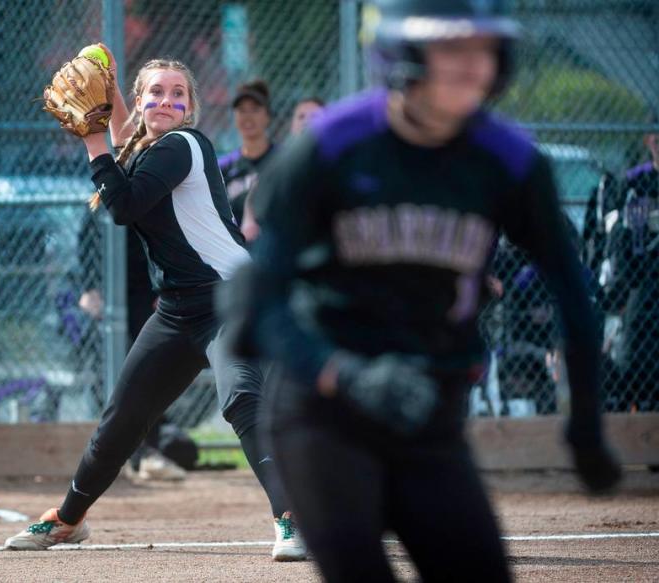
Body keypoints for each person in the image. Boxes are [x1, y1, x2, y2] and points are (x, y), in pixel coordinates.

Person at [221, 1, 622, 580]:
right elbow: (253, 303)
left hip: (427, 414)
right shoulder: (332, 146)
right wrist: (343, 374)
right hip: (322, 410)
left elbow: (574, 296)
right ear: (401, 53)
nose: (473, 66)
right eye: (451, 49)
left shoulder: (509, 160)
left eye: (485, 49)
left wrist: (585, 427)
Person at [4, 50, 305, 561]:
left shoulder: (184, 145)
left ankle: (292, 518)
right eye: (155, 93)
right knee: (122, 419)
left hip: (232, 298)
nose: (166, 100)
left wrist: (91, 134)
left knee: (240, 397)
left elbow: (122, 205)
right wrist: (112, 94)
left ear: (189, 110)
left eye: (177, 94)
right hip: (176, 311)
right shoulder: (143, 149)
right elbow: (125, 147)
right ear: (141, 102)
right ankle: (68, 519)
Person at [73, 211, 185, 481]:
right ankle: (112, 455)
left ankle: (148, 453)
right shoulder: (102, 199)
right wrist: (88, 288)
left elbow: (165, 241)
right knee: (110, 371)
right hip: (107, 290)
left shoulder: (151, 187)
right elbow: (86, 245)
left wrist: (164, 289)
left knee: (151, 370)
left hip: (143, 292)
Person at [600, 121, 659, 412]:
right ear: (651, 142)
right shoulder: (636, 182)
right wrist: (624, 283)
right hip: (643, 280)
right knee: (636, 355)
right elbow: (619, 237)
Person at [240, 96, 324, 242]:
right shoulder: (278, 162)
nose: (307, 121)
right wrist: (249, 220)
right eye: (301, 116)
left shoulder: (337, 162)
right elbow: (256, 193)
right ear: (292, 126)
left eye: (315, 116)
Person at [219, 80, 276, 226]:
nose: (247, 117)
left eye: (255, 109)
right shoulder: (224, 167)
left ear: (268, 115)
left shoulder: (282, 161)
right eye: (242, 110)